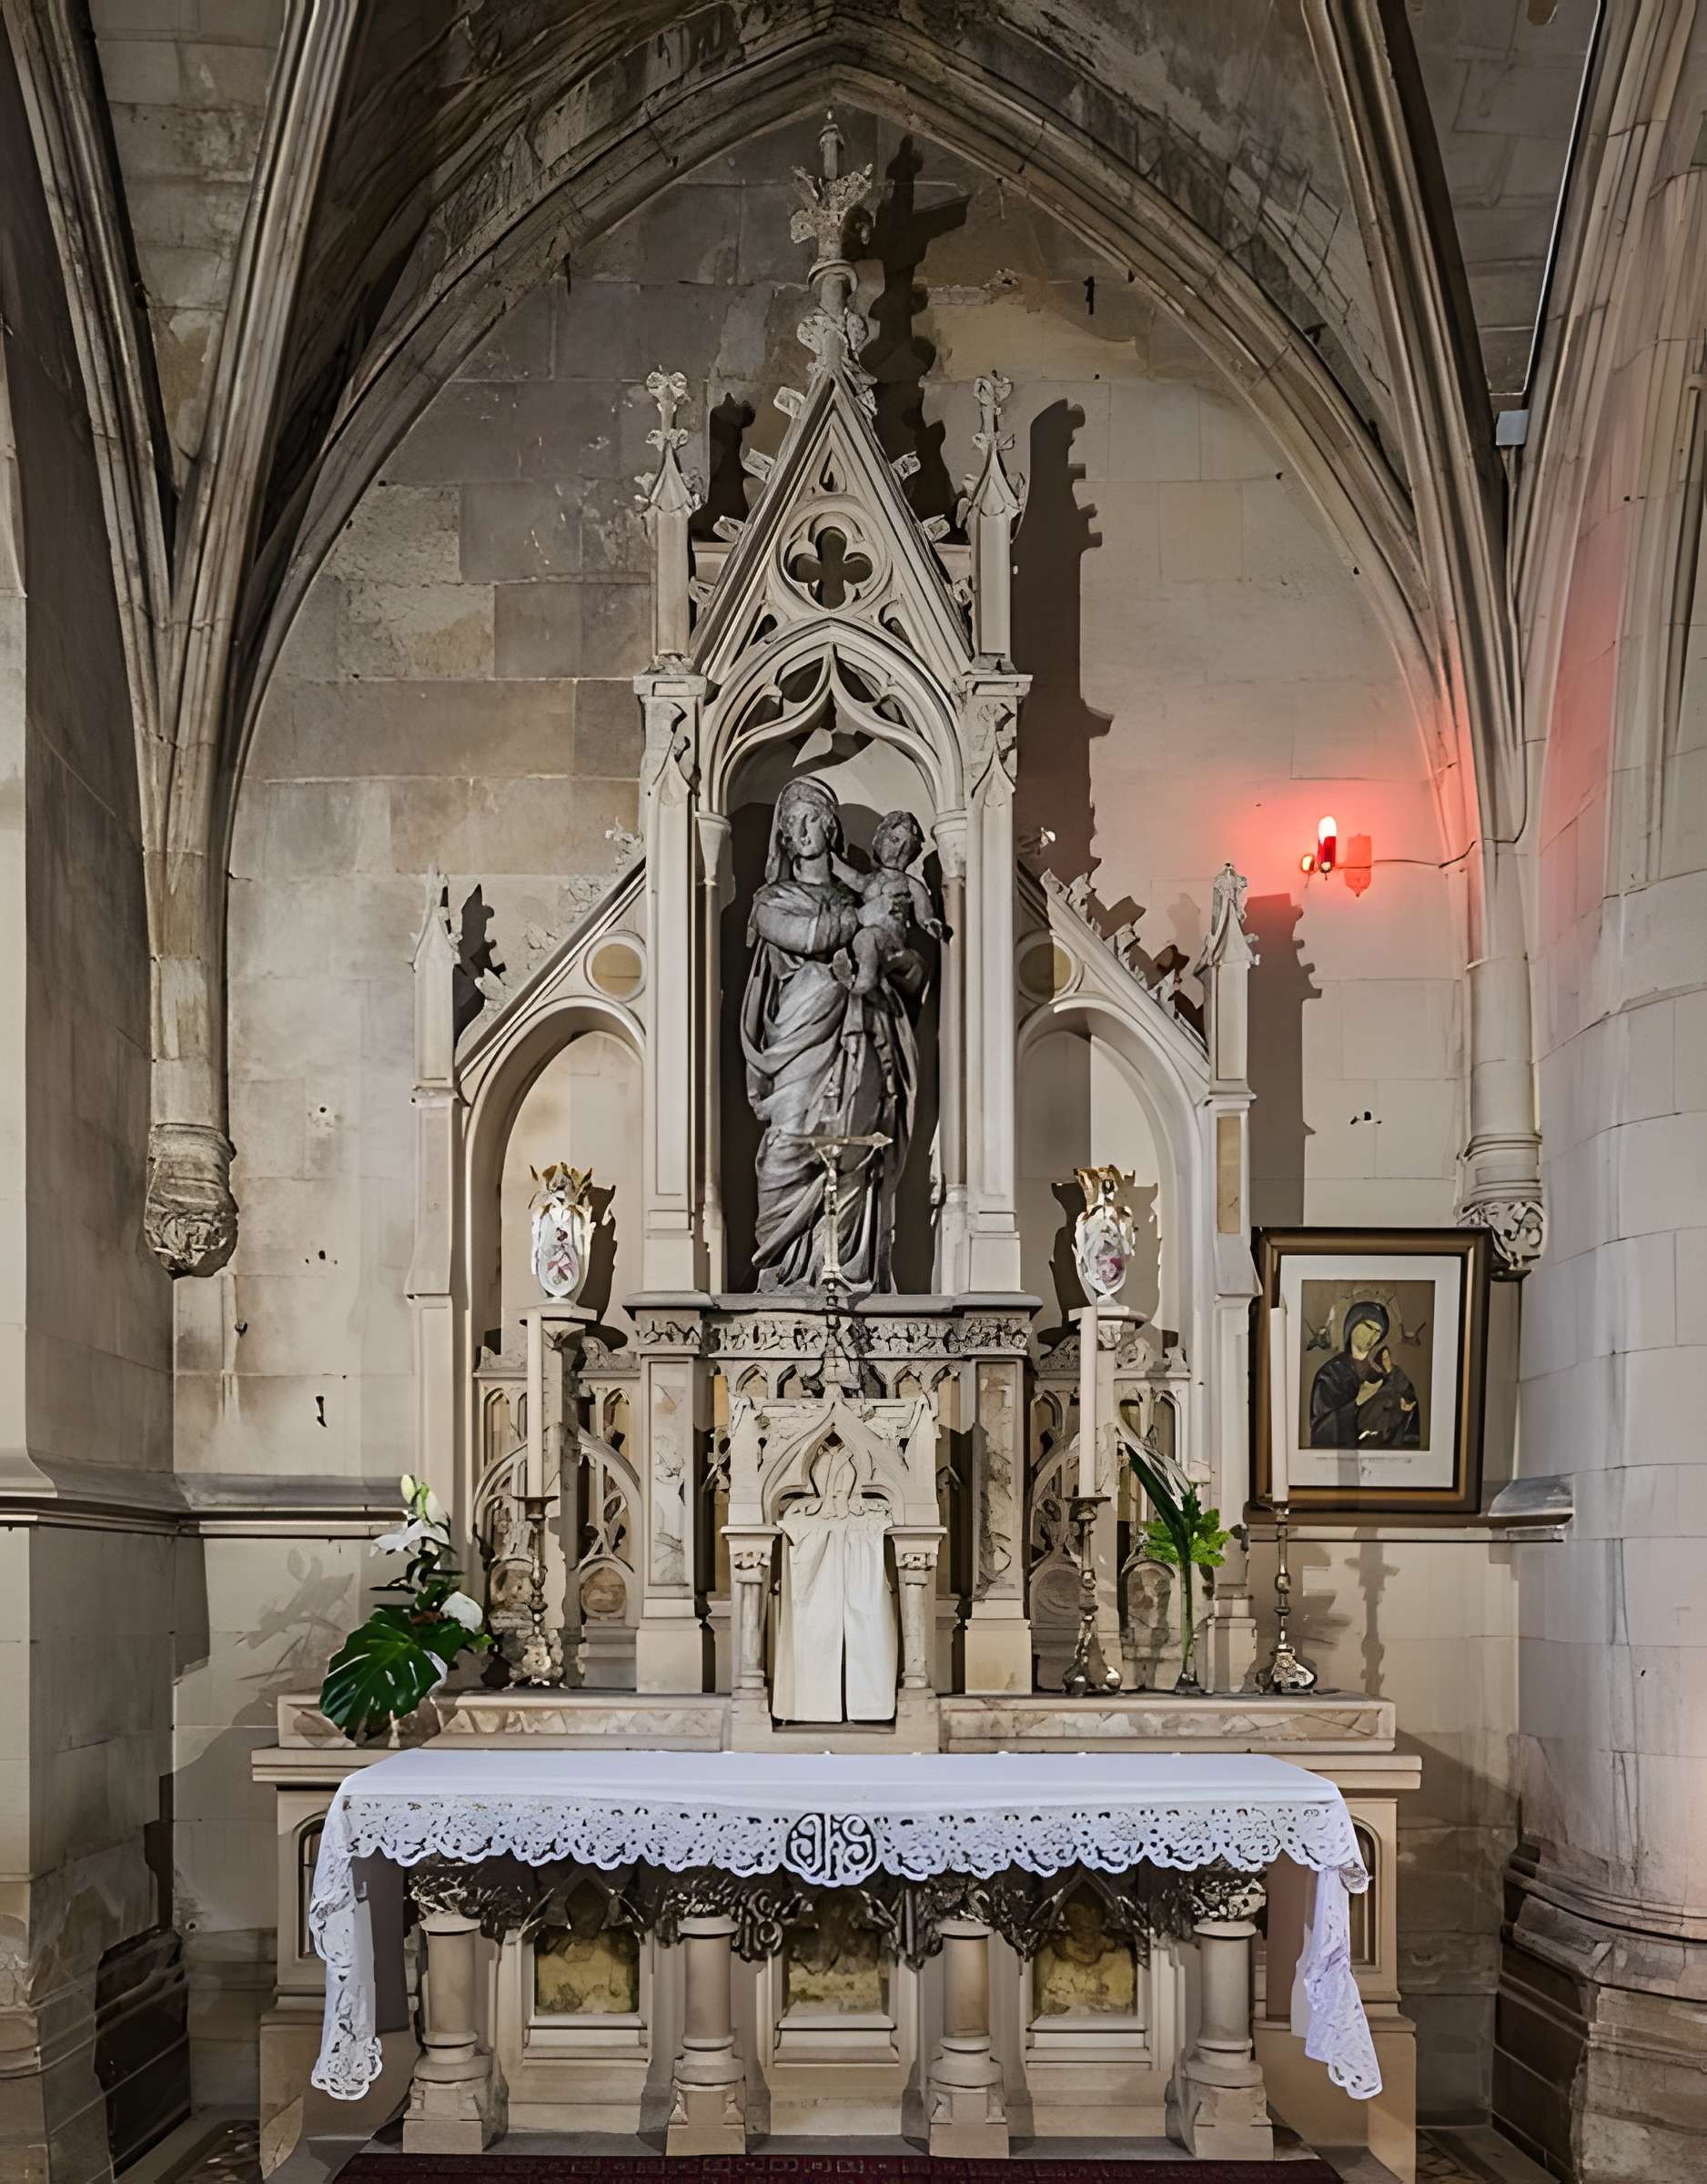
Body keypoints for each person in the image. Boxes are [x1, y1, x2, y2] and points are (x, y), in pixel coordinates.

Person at [740, 776, 922, 1292]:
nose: (799, 829)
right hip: (796, 1045)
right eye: (789, 820)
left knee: (853, 1149)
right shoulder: (771, 899)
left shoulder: (868, 894)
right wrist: (862, 921)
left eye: (810, 816)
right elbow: (800, 934)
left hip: (858, 1037)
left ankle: (847, 1269)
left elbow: (910, 970)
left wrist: (894, 955)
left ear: (831, 824)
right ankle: (782, 1269)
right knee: (785, 1149)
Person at [833, 808, 947, 996]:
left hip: (892, 941)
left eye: (906, 847)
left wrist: (931, 924)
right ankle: (863, 981)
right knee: (867, 938)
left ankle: (864, 985)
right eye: (894, 840)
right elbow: (846, 873)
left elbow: (924, 915)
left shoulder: (910, 883)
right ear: (881, 837)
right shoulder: (869, 880)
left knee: (872, 940)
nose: (899, 851)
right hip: (864, 938)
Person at [1308, 1300, 1420, 1449]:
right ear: (1352, 1326)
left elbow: (1409, 1409)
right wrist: (1357, 1401)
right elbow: (1320, 1432)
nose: (1372, 1335)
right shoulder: (1330, 1373)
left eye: (1378, 1332)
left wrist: (1405, 1410)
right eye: (1368, 1327)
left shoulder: (1384, 1371)